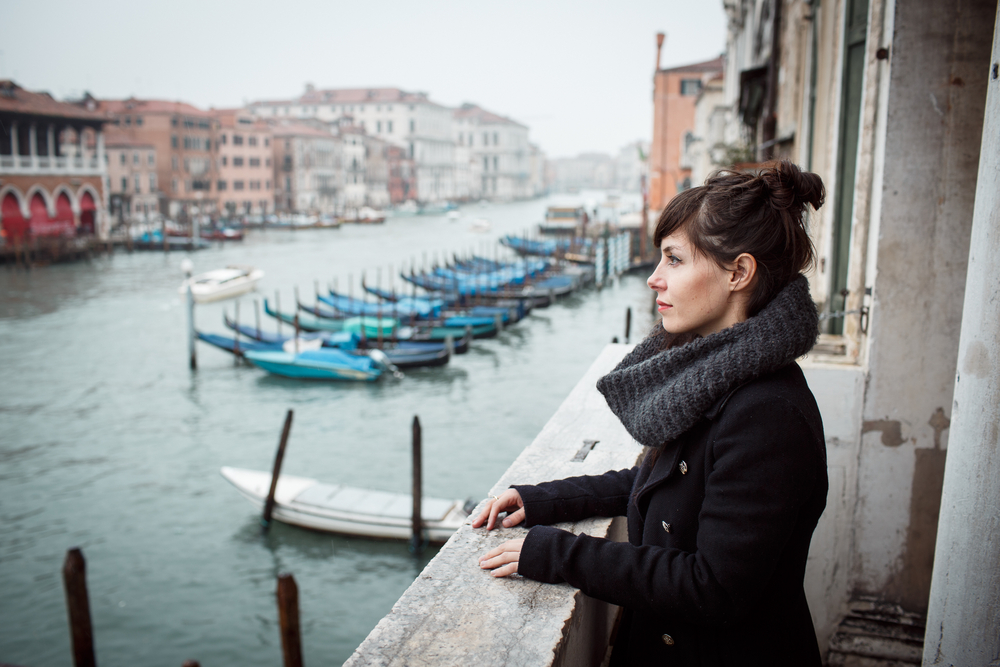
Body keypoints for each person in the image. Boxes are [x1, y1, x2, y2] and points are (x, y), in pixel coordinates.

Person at [473, 160, 829, 666]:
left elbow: (714, 586)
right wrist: (546, 499)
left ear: (739, 272)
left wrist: (556, 553)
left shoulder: (767, 413)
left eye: (674, 260)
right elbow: (665, 482)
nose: (653, 279)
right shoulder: (716, 374)